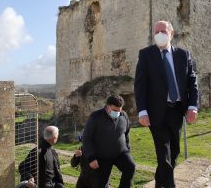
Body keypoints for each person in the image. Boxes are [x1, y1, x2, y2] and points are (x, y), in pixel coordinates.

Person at [134, 20, 199, 188]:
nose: (159, 34)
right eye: (156, 32)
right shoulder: (146, 54)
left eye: (163, 31)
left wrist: (192, 106)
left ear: (171, 33)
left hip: (177, 110)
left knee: (174, 151)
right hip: (155, 112)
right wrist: (142, 111)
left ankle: (159, 182)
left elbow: (192, 82)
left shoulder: (183, 55)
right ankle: (170, 185)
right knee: (163, 152)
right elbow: (140, 85)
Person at [82, 95, 135, 188]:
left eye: (119, 110)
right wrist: (91, 158)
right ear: (108, 106)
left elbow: (126, 134)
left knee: (130, 167)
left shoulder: (124, 115)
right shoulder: (95, 117)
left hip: (120, 153)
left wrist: (128, 149)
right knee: (102, 184)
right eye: (115, 110)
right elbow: (87, 138)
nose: (118, 113)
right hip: (102, 157)